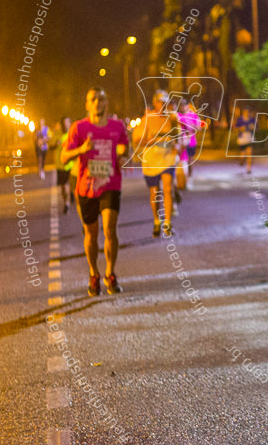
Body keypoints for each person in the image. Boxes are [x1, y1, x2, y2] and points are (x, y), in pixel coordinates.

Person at [62, 87, 129, 296]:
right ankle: (94, 273)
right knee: (91, 234)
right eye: (93, 99)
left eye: (101, 98)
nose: (98, 102)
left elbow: (127, 150)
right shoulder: (79, 128)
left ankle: (110, 272)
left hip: (110, 183)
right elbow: (64, 157)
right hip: (86, 187)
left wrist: (124, 157)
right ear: (87, 104)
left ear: (106, 102)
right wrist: (81, 150)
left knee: (109, 229)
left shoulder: (117, 126)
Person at [134, 90, 179, 237]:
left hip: (167, 159)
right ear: (155, 102)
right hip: (151, 161)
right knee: (154, 193)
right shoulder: (147, 118)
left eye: (166, 102)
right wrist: (149, 140)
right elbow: (136, 139)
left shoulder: (172, 118)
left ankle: (167, 223)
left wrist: (177, 146)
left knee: (167, 188)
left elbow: (177, 136)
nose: (163, 105)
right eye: (161, 102)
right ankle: (156, 221)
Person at [55, 116, 77, 214]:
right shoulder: (57, 135)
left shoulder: (73, 134)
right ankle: (66, 203)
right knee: (64, 187)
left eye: (67, 123)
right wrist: (55, 143)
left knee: (72, 186)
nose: (65, 125)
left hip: (72, 165)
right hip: (61, 166)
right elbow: (50, 144)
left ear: (70, 123)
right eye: (63, 123)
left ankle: (71, 194)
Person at [177, 99, 202, 177]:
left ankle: (189, 177)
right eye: (182, 105)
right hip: (180, 142)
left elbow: (199, 128)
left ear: (188, 105)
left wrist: (192, 125)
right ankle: (181, 179)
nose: (183, 107)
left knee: (189, 161)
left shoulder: (193, 115)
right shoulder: (178, 115)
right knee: (180, 161)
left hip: (191, 142)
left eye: (185, 105)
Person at [233, 106, 256, 174]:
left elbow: (256, 128)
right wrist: (240, 128)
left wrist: (253, 127)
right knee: (242, 155)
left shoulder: (252, 119)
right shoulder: (240, 120)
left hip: (249, 137)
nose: (247, 113)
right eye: (245, 112)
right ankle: (241, 160)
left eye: (248, 112)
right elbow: (235, 128)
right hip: (242, 139)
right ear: (243, 112)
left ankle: (249, 169)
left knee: (249, 153)